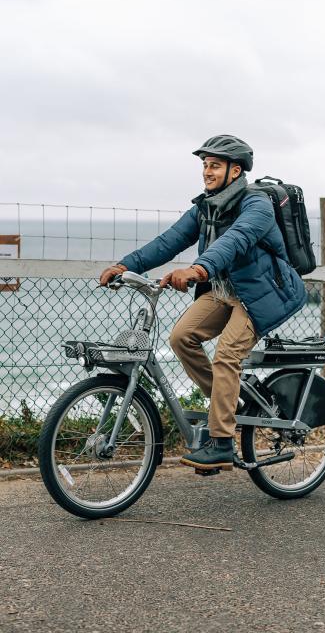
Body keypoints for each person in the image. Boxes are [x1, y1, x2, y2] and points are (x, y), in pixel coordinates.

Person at [99, 135, 306, 471]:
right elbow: (169, 241)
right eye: (205, 165)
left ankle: (222, 442)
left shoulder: (257, 205)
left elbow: (236, 241)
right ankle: (231, 403)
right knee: (182, 338)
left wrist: (198, 269)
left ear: (235, 170)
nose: (207, 172)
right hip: (225, 290)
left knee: (226, 355)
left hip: (263, 293)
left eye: (215, 165)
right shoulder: (206, 208)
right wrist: (126, 265)